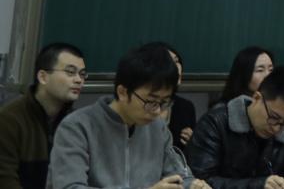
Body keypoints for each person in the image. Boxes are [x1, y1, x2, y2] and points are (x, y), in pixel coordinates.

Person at [47, 44, 211, 189]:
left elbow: (178, 175)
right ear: (123, 92)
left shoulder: (158, 129)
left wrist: (192, 185)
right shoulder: (77, 127)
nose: (157, 111)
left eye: (164, 102)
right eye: (151, 101)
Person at [187, 65, 284, 188]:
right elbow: (199, 182)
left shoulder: (280, 142)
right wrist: (257, 185)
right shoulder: (215, 123)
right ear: (257, 98)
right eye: (274, 117)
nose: (276, 129)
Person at [0, 43, 85, 189]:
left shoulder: (77, 122)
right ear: (43, 77)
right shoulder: (9, 119)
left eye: (82, 74)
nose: (79, 80)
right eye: (70, 72)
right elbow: (5, 180)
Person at [145, 42, 196, 152]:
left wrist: (194, 143)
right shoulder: (139, 104)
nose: (177, 66)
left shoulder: (186, 107)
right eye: (170, 62)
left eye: (177, 61)